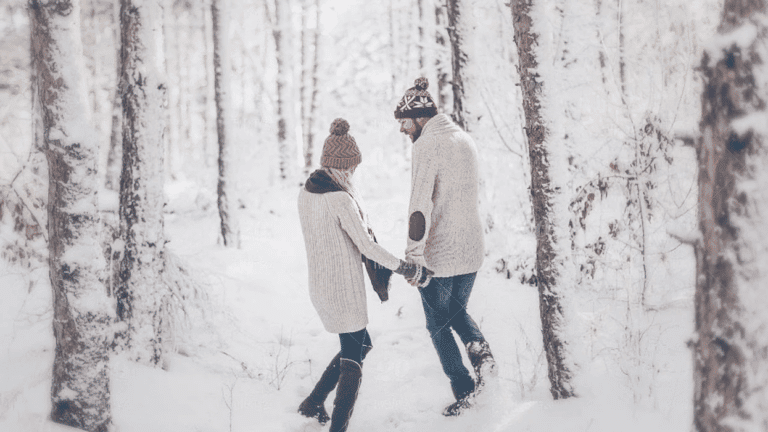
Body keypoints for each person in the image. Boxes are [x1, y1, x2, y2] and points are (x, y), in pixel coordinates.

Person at [297, 118, 432, 431]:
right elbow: (367, 247)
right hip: (343, 290)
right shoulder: (341, 199)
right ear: (342, 167)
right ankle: (338, 426)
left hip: (319, 286)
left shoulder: (307, 193)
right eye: (352, 167)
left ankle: (313, 402)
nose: (354, 173)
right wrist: (405, 267)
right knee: (354, 358)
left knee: (360, 344)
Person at [394, 77, 497, 416]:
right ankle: (483, 358)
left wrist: (413, 256)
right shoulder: (465, 139)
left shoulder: (427, 145)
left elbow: (419, 205)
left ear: (421, 117)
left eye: (405, 123)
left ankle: (465, 389)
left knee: (437, 323)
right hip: (471, 247)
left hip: (440, 252)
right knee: (455, 313)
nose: (403, 131)